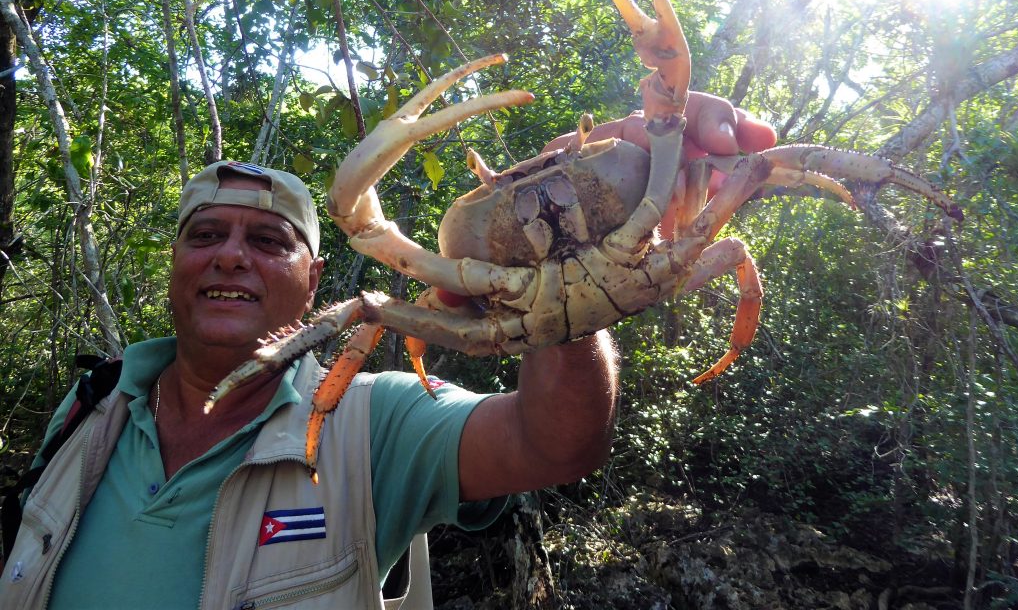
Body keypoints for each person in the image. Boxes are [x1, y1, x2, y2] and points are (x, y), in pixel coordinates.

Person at [0, 93, 775, 609]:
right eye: (205, 236)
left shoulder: (371, 423)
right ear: (174, 265)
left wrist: (562, 299)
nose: (230, 257)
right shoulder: (90, 405)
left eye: (268, 241)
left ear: (311, 286)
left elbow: (558, 444)